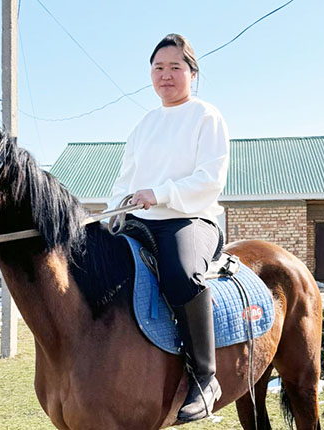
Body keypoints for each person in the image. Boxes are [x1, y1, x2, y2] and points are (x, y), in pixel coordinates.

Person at [108, 33, 230, 422]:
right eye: (158, 68)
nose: (166, 75)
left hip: (190, 217)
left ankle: (205, 377)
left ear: (192, 73)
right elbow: (124, 181)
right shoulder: (145, 124)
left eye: (175, 67)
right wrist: (112, 212)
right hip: (140, 218)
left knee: (181, 274)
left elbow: (210, 179)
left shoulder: (206, 116)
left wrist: (158, 194)